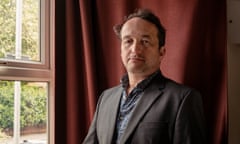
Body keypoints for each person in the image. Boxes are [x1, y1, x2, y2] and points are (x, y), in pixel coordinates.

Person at [83, 8, 206, 144]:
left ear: (161, 52)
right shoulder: (105, 99)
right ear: (120, 50)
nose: (135, 49)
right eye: (128, 41)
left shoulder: (182, 99)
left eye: (145, 41)